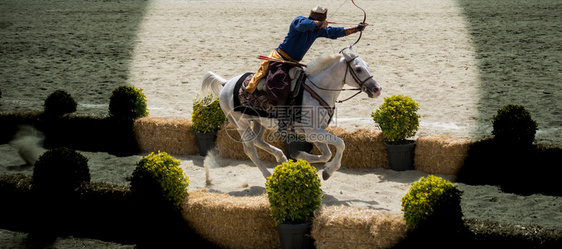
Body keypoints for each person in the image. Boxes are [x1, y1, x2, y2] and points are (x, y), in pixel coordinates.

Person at [245, 5, 366, 131]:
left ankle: (297, 115)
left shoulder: (317, 30)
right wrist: (319, 23)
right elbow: (304, 25)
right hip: (280, 60)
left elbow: (336, 32)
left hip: (294, 63)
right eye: (318, 20)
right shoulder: (299, 21)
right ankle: (281, 122)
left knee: (304, 85)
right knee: (281, 85)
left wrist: (356, 29)